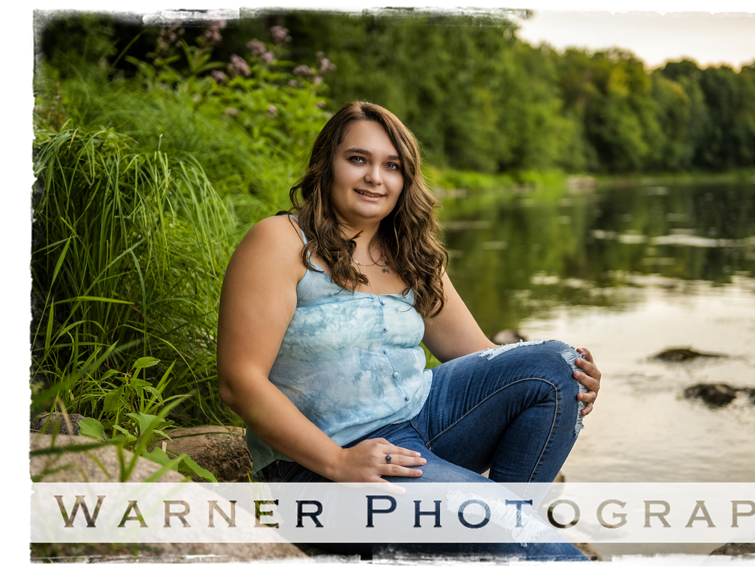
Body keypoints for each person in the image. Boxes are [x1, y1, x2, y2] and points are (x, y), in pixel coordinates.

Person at [217, 101, 602, 561]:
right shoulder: (279, 241)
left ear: (405, 179)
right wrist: (338, 461)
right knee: (518, 534)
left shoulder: (412, 255)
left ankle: (483, 543)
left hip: (420, 426)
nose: (374, 177)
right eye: (357, 159)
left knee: (556, 366)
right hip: (319, 463)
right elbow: (239, 382)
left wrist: (576, 379)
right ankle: (494, 541)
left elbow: (481, 358)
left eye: (391, 165)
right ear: (326, 165)